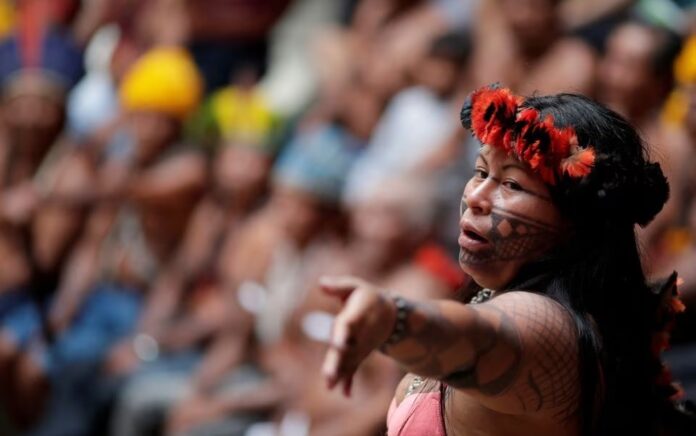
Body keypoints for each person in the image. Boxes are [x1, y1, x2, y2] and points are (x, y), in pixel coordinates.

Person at [319, 85, 696, 435]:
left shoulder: (548, 327)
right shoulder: (503, 296)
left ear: (575, 223)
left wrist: (394, 319)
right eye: (481, 172)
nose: (476, 197)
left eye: (512, 184)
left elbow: (479, 338)